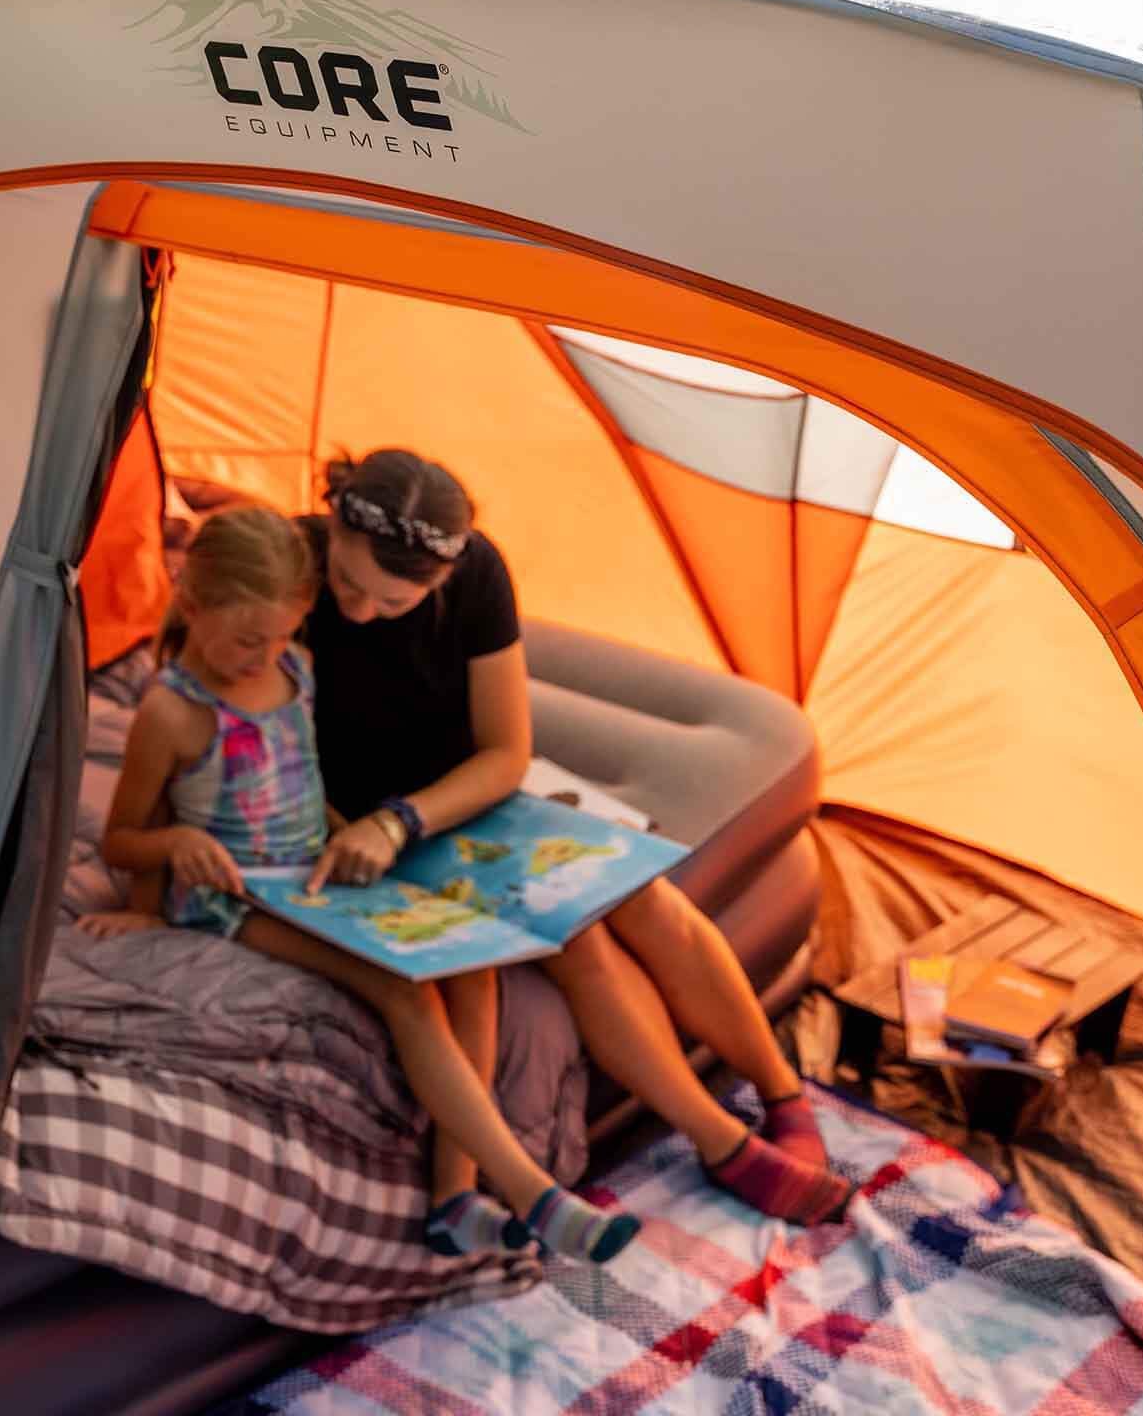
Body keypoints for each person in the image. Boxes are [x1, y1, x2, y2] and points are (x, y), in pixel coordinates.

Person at [299, 449, 851, 1227]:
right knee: (580, 939)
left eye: (391, 603)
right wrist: (360, 828)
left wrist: (408, 819)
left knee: (639, 897)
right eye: (347, 583)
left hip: (458, 795)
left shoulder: (478, 574)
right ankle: (721, 1141)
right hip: (353, 817)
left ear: (438, 581)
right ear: (332, 528)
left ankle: (783, 1096)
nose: (358, 611)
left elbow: (505, 753)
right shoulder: (294, 564)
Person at [80, 504, 641, 1265]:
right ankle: (532, 1190)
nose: (268, 653)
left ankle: (454, 1200)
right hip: (233, 896)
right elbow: (120, 838)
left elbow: (296, 784)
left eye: (284, 632)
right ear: (190, 600)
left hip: (310, 871)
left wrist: (355, 835)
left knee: (462, 964)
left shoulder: (295, 670)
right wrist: (176, 850)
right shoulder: (172, 713)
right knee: (403, 993)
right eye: (250, 638)